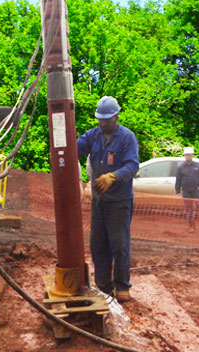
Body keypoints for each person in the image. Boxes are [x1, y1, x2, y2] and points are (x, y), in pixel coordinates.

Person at [77, 96, 139, 302]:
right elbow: (74, 149)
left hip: (119, 202)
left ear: (116, 116)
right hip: (99, 202)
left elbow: (133, 166)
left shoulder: (127, 138)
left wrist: (114, 176)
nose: (102, 123)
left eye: (107, 119)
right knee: (98, 245)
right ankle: (104, 284)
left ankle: (122, 286)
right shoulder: (93, 136)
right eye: (100, 119)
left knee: (119, 245)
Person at [175, 147, 199, 235]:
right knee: (189, 210)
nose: (188, 157)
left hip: (196, 192)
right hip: (186, 192)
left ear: (192, 155)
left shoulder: (198, 166)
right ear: (184, 156)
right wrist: (178, 192)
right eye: (186, 155)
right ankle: (191, 227)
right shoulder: (181, 168)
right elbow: (178, 180)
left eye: (189, 155)